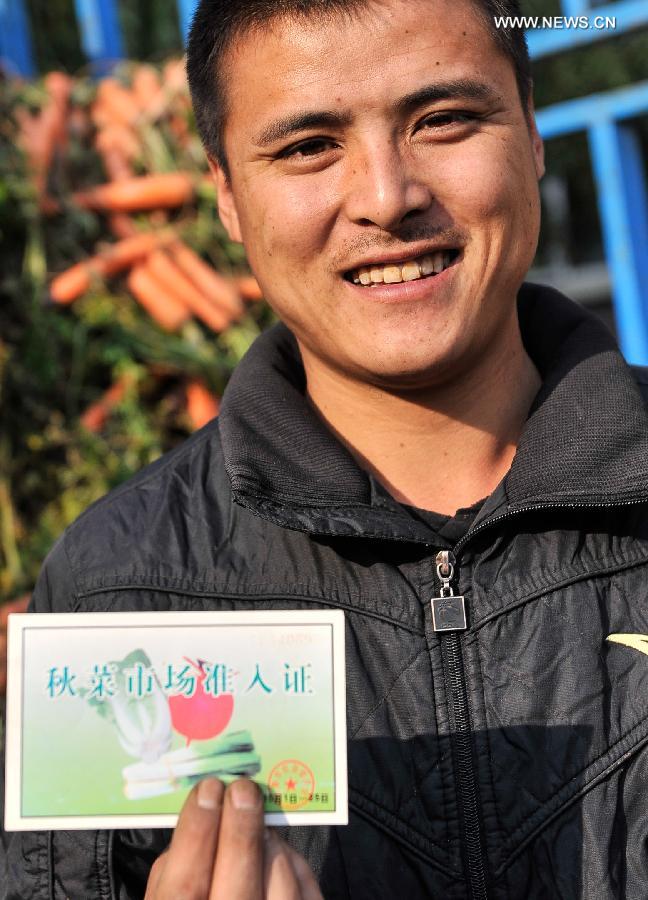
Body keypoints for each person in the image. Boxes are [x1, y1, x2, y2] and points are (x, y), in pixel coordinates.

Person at [3, 0, 648, 896]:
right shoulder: (120, 590)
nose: (387, 198)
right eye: (308, 146)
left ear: (532, 138)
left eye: (445, 121)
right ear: (227, 195)